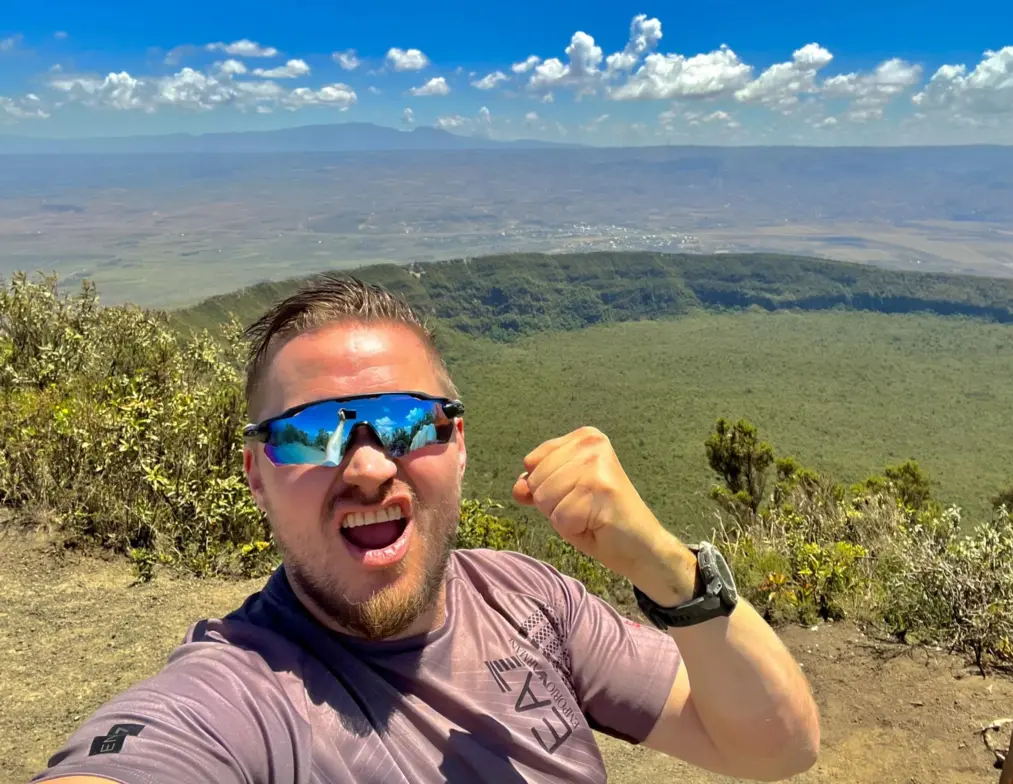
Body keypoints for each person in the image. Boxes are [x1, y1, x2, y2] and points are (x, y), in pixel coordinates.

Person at [32, 275, 820, 784]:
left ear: (460, 442)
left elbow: (778, 748)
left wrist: (665, 567)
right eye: (312, 433)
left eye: (408, 423)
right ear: (256, 474)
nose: (371, 467)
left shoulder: (527, 596)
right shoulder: (238, 695)